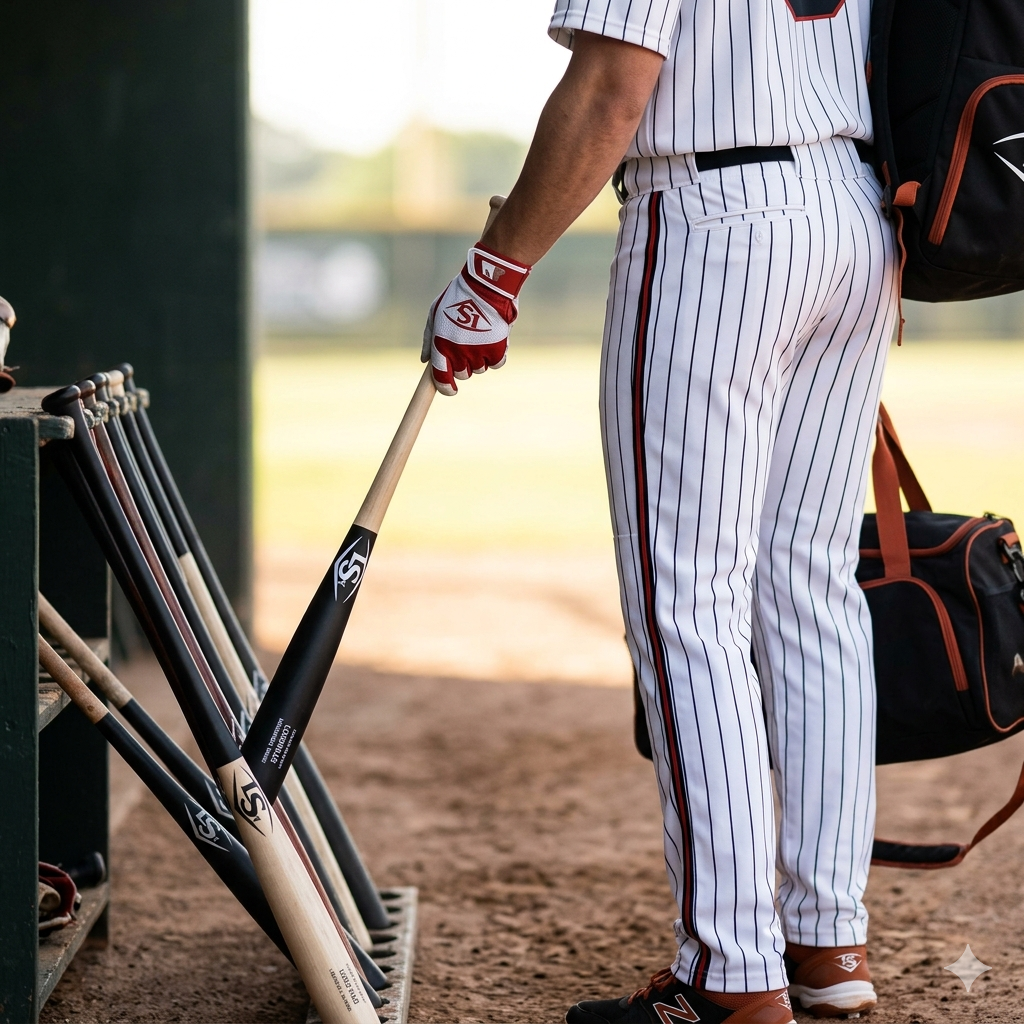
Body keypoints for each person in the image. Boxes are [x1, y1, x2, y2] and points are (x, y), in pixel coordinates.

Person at [422, 0, 898, 1019]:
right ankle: (827, 940)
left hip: (713, 223)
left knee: (690, 603)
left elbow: (610, 88)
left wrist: (493, 272)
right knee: (811, 584)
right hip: (857, 216)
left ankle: (730, 975)